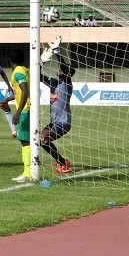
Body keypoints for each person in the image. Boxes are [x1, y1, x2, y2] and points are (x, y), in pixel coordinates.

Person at [39, 36, 74, 174]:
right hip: (54, 122)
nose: (59, 69)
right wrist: (40, 62)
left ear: (68, 74)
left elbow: (65, 68)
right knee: (41, 139)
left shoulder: (67, 84)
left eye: (62, 69)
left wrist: (57, 51)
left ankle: (63, 165)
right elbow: (37, 76)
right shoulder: (54, 83)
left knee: (44, 137)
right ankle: (62, 161)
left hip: (64, 122)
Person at [0, 48, 31, 183]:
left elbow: (25, 91)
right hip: (29, 109)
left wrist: (18, 112)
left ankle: (27, 173)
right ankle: (30, 169)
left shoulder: (17, 72)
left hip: (26, 110)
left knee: (25, 141)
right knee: (28, 140)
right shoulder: (24, 69)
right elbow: (19, 92)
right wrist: (7, 99)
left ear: (9, 60)